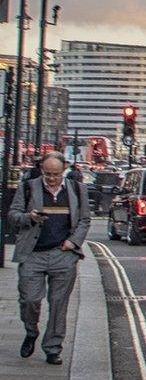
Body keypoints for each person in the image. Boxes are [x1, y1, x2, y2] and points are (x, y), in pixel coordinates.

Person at [8, 152, 92, 364]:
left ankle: (53, 348)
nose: (52, 178)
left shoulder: (76, 189)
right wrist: (30, 217)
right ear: (41, 170)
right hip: (32, 254)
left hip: (62, 254)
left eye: (56, 174)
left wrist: (73, 242)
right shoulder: (28, 187)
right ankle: (31, 330)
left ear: (64, 169)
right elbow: (13, 214)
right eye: (47, 174)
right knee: (30, 300)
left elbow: (84, 220)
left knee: (58, 304)